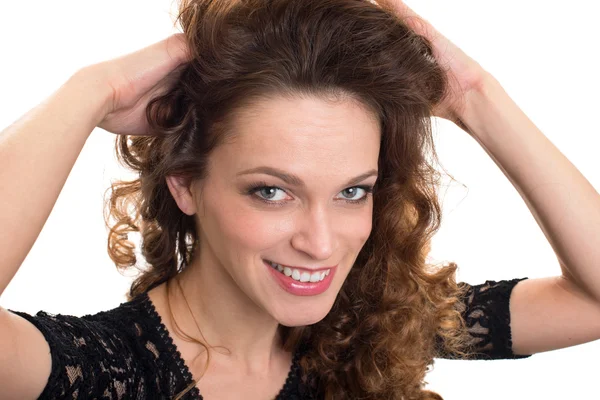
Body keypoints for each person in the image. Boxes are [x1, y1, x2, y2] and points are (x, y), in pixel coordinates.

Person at [1, 0, 599, 399]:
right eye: (271, 192)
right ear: (185, 183)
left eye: (351, 192)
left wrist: (474, 96)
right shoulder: (103, 369)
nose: (319, 242)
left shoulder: (373, 329)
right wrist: (89, 93)